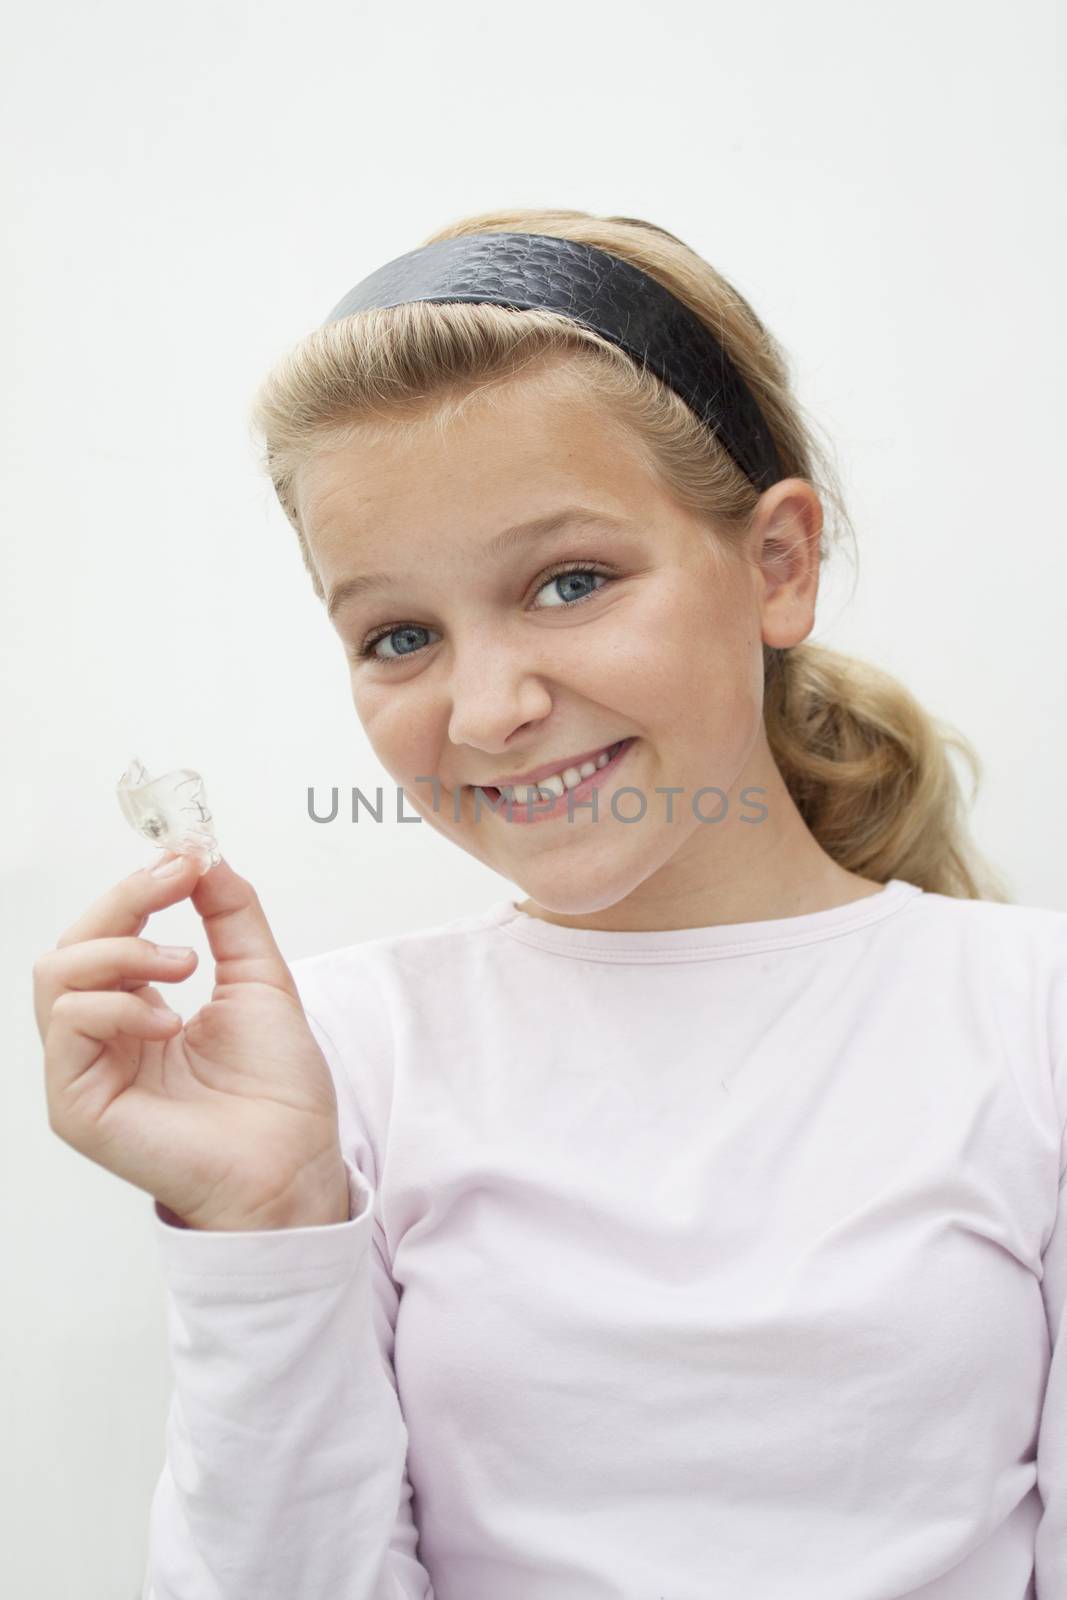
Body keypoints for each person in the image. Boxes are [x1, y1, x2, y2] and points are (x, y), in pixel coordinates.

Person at [32, 208, 1065, 1600]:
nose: (492, 709)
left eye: (570, 582)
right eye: (400, 635)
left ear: (777, 564)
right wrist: (270, 1216)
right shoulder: (339, 1063)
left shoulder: (1033, 1017)